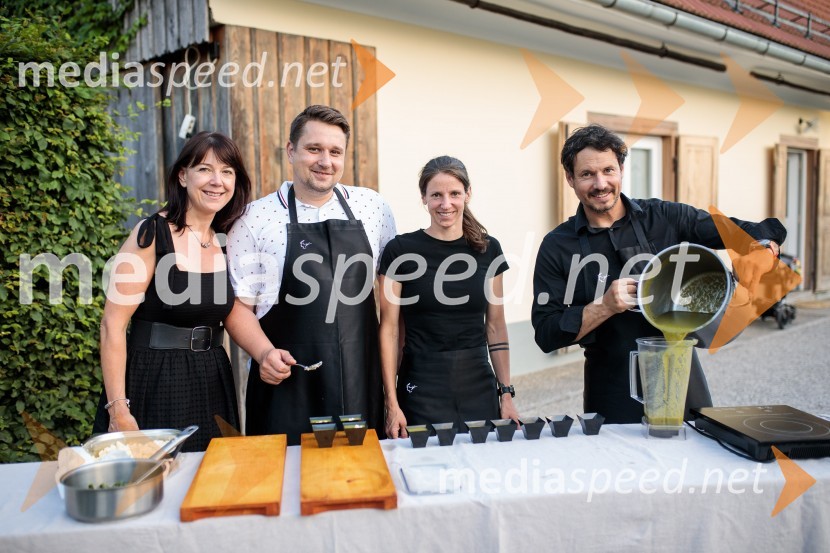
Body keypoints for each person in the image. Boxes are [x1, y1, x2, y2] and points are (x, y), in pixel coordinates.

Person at [531, 124, 787, 424]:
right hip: (611, 388)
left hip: (681, 378)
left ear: (621, 170)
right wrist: (604, 306)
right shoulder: (557, 246)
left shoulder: (665, 217)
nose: (601, 184)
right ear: (570, 178)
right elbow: (547, 334)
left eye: (608, 170)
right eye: (587, 174)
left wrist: (765, 249)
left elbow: (753, 231)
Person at [225, 105, 396, 445]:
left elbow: (392, 308)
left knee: (361, 472)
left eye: (335, 152)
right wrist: (264, 354)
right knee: (285, 474)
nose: (325, 161)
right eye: (314, 149)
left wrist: (392, 395)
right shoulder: (253, 218)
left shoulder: (373, 207)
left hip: (359, 381)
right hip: (286, 386)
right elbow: (238, 307)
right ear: (291, 150)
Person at [94, 131, 251, 452]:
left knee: (212, 475)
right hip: (155, 378)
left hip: (212, 379)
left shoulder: (226, 239)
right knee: (155, 477)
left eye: (227, 171)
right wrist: (118, 409)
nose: (217, 181)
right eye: (205, 169)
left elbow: (233, 312)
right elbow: (112, 325)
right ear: (182, 176)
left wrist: (266, 353)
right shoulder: (152, 234)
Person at [379, 156, 519, 439]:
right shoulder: (400, 250)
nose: (446, 204)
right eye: (436, 195)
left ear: (468, 194)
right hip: (421, 383)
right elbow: (390, 330)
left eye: (454, 193)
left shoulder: (489, 249)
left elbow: (495, 326)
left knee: (483, 460)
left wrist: (506, 394)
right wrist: (391, 403)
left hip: (478, 382)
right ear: (423, 198)